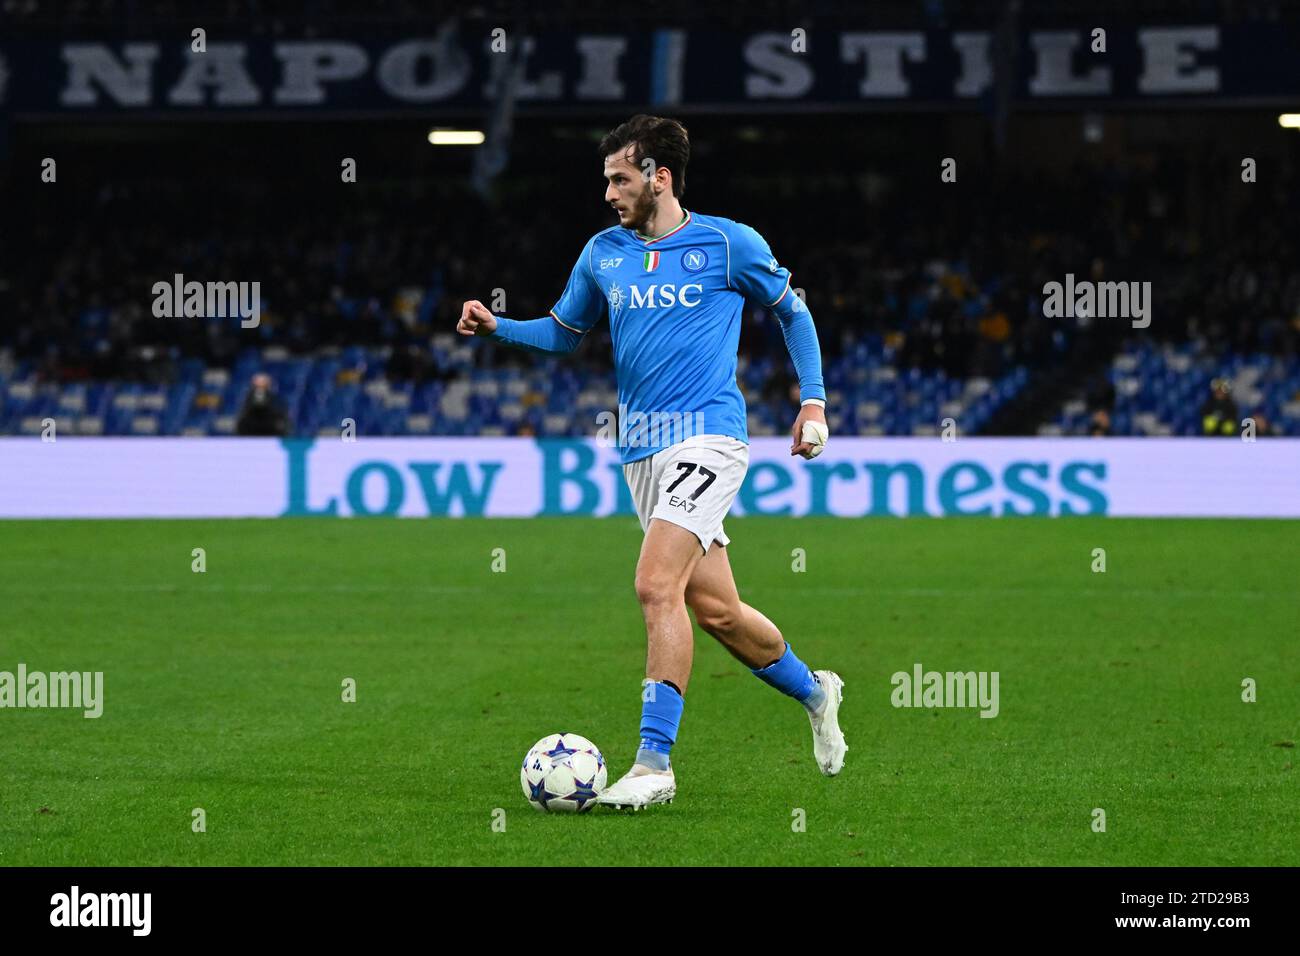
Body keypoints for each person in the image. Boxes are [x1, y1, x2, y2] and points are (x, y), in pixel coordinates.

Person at [457, 114, 845, 809]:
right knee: (718, 612)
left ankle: (654, 765)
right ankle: (817, 693)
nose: (608, 193)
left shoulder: (729, 244)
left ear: (659, 178)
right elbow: (563, 333)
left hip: (710, 438)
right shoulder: (602, 252)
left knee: (653, 586)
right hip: (640, 449)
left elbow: (794, 312)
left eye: (619, 179)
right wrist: (499, 326)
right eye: (606, 179)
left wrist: (812, 402)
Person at [235, 372, 289, 436]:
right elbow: (242, 419)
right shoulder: (247, 400)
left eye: (263, 384)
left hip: (270, 433)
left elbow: (281, 419)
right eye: (258, 385)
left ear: (269, 385)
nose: (260, 386)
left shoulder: (277, 400)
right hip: (250, 434)